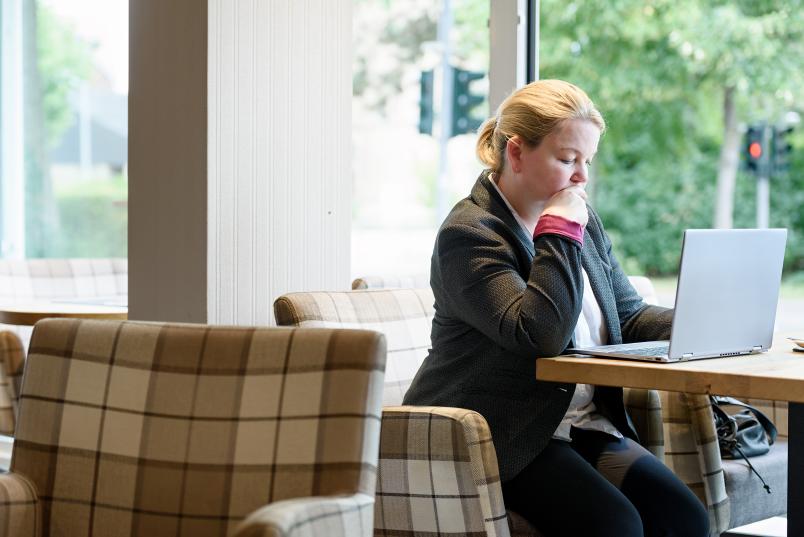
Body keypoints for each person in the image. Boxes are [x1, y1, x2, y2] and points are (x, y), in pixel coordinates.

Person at [402, 80, 709, 537]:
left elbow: (627, 315)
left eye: (587, 161)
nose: (582, 177)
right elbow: (539, 333)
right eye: (568, 160)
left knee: (685, 518)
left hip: (580, 427)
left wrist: (701, 324)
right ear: (517, 152)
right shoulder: (470, 236)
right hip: (503, 434)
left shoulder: (582, 221)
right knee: (616, 526)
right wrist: (559, 227)